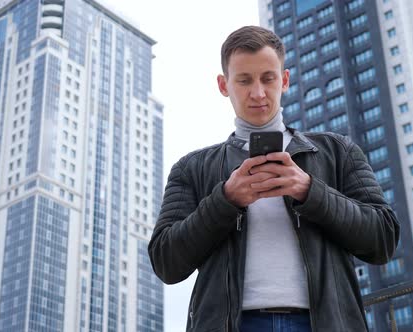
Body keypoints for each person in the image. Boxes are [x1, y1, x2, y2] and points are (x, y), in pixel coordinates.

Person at [148, 25, 399, 332]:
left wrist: (310, 191)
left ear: (285, 80)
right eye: (244, 81)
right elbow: (166, 262)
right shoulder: (191, 168)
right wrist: (225, 201)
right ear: (223, 85)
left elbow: (383, 240)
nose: (258, 93)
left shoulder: (338, 151)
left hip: (323, 324)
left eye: (268, 78)